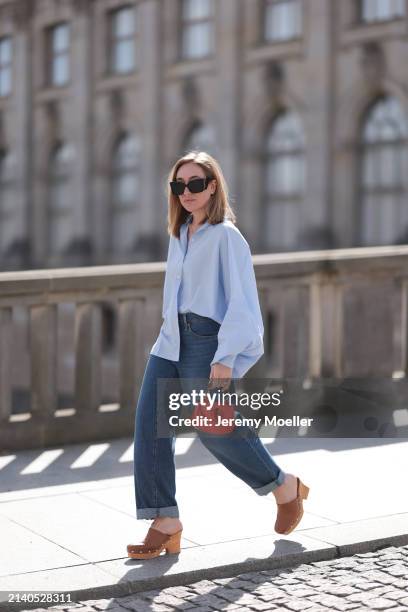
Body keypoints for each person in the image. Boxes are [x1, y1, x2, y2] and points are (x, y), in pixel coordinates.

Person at [127, 151, 309, 559]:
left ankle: (283, 485)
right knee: (148, 424)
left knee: (214, 426)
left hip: (207, 340)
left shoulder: (227, 237)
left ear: (212, 186)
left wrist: (225, 357)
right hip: (170, 339)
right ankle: (165, 519)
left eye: (195, 184)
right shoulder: (179, 234)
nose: (186, 192)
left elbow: (243, 303)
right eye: (179, 186)